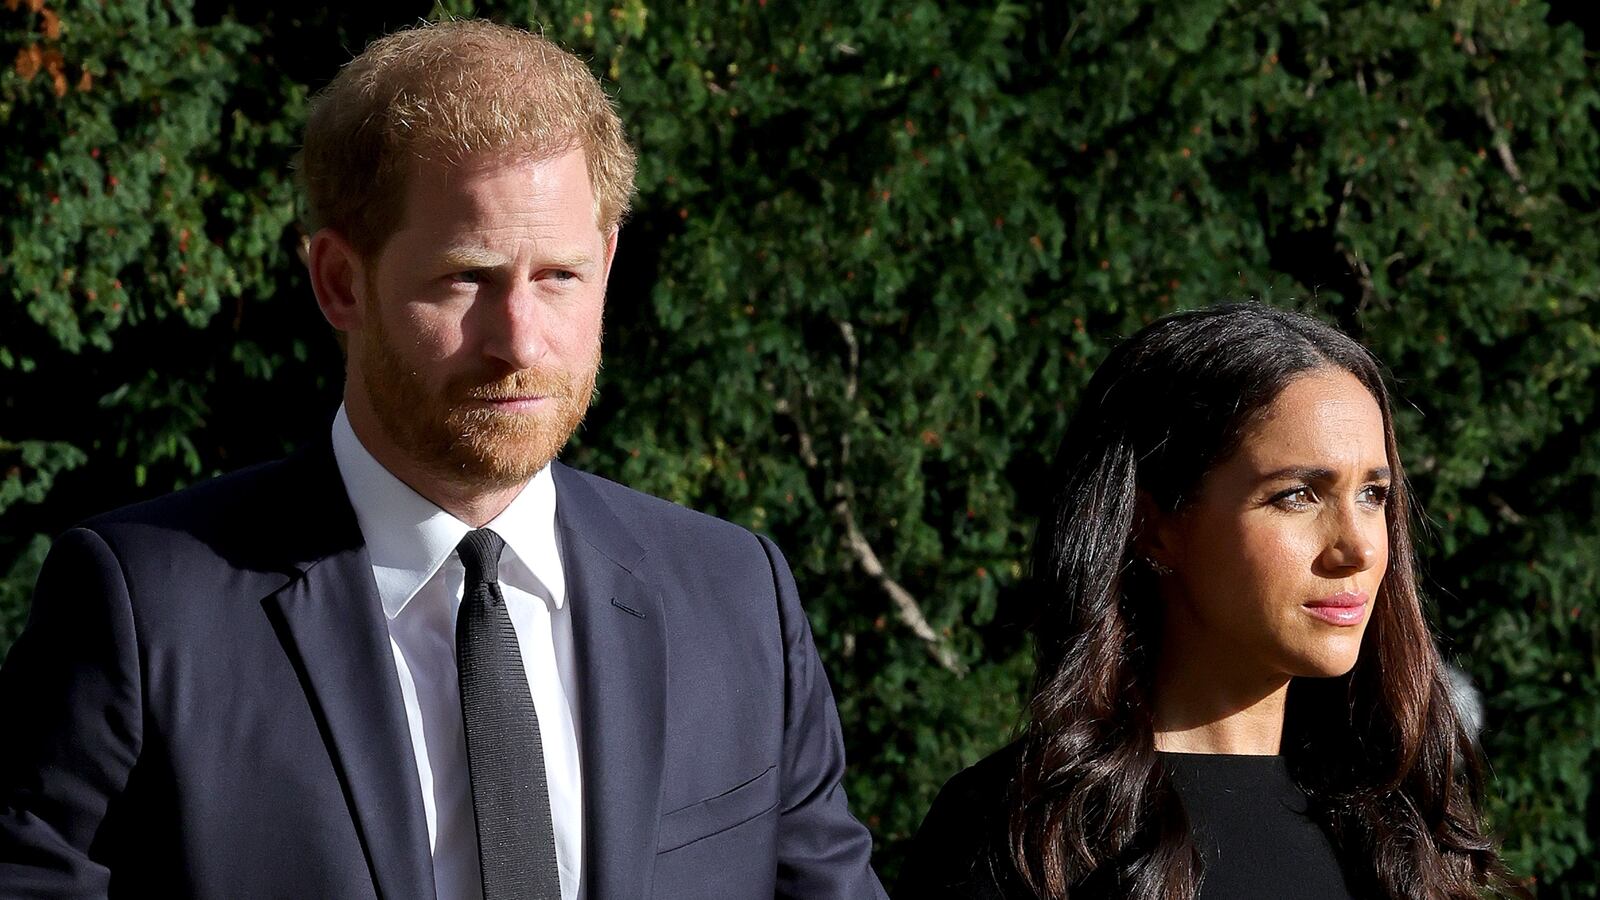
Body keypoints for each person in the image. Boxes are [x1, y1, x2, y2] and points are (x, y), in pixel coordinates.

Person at [0, 20, 886, 900]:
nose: (520, 342)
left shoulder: (735, 598)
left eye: (560, 277)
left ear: (608, 262)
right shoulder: (145, 610)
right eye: (466, 278)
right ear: (340, 282)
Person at [901, 305, 1523, 899]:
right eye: (1298, 495)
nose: (1358, 548)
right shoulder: (1022, 835)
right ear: (1156, 525)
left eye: (1373, 494)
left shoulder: (1404, 828)